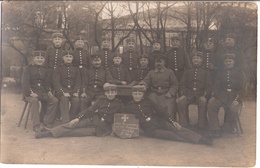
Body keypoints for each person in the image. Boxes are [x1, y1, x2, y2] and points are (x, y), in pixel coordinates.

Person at [125, 85, 213, 146]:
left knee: (178, 129)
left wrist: (173, 121)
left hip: (159, 122)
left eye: (139, 94)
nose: (137, 96)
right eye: (135, 94)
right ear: (132, 94)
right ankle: (200, 140)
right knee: (172, 135)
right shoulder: (129, 106)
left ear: (142, 95)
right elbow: (125, 120)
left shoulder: (148, 101)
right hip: (151, 130)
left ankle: (202, 138)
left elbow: (161, 111)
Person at [35, 84, 124, 138]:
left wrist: (114, 129)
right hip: (93, 119)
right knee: (73, 124)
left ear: (116, 93)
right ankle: (48, 132)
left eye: (112, 92)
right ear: (105, 93)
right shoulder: (101, 100)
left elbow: (121, 119)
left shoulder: (119, 104)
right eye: (108, 92)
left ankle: (48, 133)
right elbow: (90, 110)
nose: (110, 94)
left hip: (102, 128)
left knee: (77, 132)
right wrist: (78, 118)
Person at [207, 53, 246, 138]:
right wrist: (214, 96)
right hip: (222, 96)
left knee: (233, 108)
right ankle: (215, 129)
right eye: (226, 61)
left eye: (230, 61)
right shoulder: (221, 73)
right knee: (211, 106)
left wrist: (237, 100)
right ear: (224, 63)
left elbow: (242, 89)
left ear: (234, 62)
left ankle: (228, 127)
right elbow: (216, 86)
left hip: (234, 97)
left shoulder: (239, 73)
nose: (228, 63)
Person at [22, 51, 58, 131]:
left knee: (54, 101)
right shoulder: (28, 68)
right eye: (37, 58)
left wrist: (48, 91)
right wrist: (31, 93)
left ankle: (47, 121)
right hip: (30, 93)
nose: (39, 59)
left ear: (44, 60)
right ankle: (36, 124)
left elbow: (46, 84)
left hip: (42, 92)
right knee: (35, 101)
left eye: (41, 58)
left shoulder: (45, 69)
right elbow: (25, 83)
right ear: (34, 59)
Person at [177, 51, 212, 130]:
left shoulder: (206, 71)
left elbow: (208, 85)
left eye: (197, 58)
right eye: (194, 58)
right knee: (180, 102)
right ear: (191, 60)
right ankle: (184, 124)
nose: (195, 60)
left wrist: (204, 96)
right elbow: (182, 83)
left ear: (201, 60)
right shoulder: (188, 70)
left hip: (201, 94)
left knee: (203, 102)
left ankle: (201, 126)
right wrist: (183, 94)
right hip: (189, 94)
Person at [53, 51, 81, 123]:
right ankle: (65, 121)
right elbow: (56, 82)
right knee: (64, 99)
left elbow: (78, 82)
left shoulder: (76, 69)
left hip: (72, 90)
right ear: (63, 58)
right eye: (66, 57)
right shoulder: (58, 68)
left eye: (70, 57)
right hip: (62, 91)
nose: (68, 58)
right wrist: (63, 92)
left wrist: (75, 92)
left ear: (72, 58)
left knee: (76, 100)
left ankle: (71, 120)